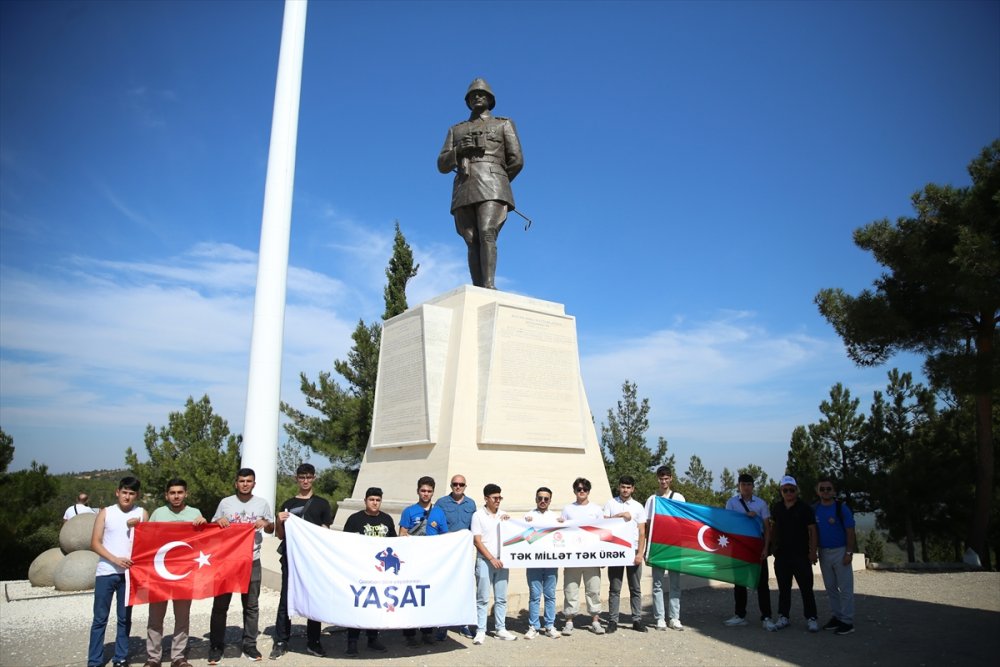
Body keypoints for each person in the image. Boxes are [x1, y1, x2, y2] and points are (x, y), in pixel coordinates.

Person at [437, 78, 524, 289]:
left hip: (493, 184)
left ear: (490, 99)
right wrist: (459, 152)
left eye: (481, 94)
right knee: (471, 239)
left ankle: (489, 286)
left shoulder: (503, 124)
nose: (477, 97)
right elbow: (441, 164)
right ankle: (478, 289)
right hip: (465, 185)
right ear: (467, 101)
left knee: (487, 231)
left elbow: (517, 160)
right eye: (472, 95)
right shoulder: (456, 130)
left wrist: (499, 179)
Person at [207, 468, 274, 664]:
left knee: (251, 606)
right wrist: (218, 521)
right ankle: (216, 645)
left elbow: (271, 527)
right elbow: (213, 527)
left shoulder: (262, 503)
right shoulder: (225, 503)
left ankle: (249, 644)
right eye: (242, 480)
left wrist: (265, 523)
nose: (245, 484)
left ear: (254, 483)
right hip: (227, 561)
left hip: (252, 560)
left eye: (249, 481)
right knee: (220, 606)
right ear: (236, 483)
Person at [270, 463, 333, 660]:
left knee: (313, 598)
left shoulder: (322, 504)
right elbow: (280, 535)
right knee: (286, 598)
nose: (305, 481)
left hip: (312, 560)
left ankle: (313, 641)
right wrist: (279, 521)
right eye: (302, 477)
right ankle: (281, 640)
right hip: (290, 557)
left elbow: (325, 533)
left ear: (314, 478)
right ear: (296, 479)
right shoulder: (287, 503)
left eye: (309, 477)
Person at [144, 478, 206, 667]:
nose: (176, 496)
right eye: (172, 493)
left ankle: (178, 657)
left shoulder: (195, 513)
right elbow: (145, 540)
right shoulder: (158, 513)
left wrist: (204, 524)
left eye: (180, 492)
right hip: (159, 574)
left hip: (184, 574)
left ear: (186, 494)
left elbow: (204, 541)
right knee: (155, 618)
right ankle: (153, 658)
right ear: (166, 495)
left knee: (182, 617)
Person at [87, 476, 147, 667]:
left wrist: (138, 527)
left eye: (131, 494)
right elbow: (94, 543)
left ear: (136, 495)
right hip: (106, 572)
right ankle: (94, 661)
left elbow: (148, 544)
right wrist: (115, 560)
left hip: (129, 575)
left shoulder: (142, 513)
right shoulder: (106, 512)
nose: (127, 497)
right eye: (124, 492)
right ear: (117, 492)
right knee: (99, 619)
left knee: (124, 618)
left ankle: (120, 657)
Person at [341, 487, 395, 657]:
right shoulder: (354, 519)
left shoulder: (387, 519)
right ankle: (352, 641)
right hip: (360, 570)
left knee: (376, 605)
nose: (374, 503)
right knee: (357, 605)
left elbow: (394, 543)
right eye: (371, 499)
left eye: (378, 500)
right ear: (365, 501)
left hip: (380, 572)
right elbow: (345, 542)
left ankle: (373, 638)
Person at [398, 476, 449, 646]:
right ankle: (410, 634)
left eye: (429, 491)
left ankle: (427, 631)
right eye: (423, 490)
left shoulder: (439, 513)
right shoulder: (409, 511)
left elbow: (444, 537)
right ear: (418, 491)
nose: (426, 494)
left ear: (433, 492)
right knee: (411, 596)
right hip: (413, 560)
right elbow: (402, 533)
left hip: (431, 562)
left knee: (428, 596)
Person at [723, 473, 775, 631]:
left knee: (762, 583)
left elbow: (767, 527)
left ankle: (766, 617)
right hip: (739, 547)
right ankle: (740, 615)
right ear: (739, 486)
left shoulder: (760, 504)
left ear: (753, 486)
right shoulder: (732, 502)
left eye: (749, 484)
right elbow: (728, 523)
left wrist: (766, 548)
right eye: (743, 484)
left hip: (756, 546)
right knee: (739, 582)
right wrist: (745, 517)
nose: (746, 487)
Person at [769, 475, 819, 632]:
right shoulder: (777, 507)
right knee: (783, 588)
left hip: (801, 554)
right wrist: (771, 547)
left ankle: (811, 617)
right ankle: (783, 616)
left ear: (796, 490)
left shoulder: (805, 508)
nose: (788, 492)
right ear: (781, 491)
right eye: (785, 490)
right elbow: (773, 528)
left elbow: (812, 530)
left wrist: (813, 551)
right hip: (782, 555)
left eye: (791, 489)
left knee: (806, 588)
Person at [471, 483, 516, 643]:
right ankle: (481, 630)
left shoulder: (504, 515)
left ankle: (500, 628)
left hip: (503, 561)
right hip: (485, 561)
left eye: (500, 497)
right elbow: (477, 540)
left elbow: (514, 535)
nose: (498, 500)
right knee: (482, 597)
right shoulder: (478, 515)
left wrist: (510, 522)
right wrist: (491, 558)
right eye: (495, 498)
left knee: (501, 597)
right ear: (486, 498)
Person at [560, 477, 605, 636]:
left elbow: (603, 532)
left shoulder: (597, 509)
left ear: (588, 491)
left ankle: (595, 621)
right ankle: (569, 621)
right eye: (579, 489)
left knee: (593, 589)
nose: (582, 492)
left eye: (585, 489)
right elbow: (561, 531)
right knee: (570, 589)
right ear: (574, 491)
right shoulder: (567, 509)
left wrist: (603, 556)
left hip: (592, 556)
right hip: (572, 556)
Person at [434, 473, 477, 639]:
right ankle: (442, 625)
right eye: (455, 484)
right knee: (444, 587)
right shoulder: (441, 503)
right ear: (451, 485)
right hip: (447, 554)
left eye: (461, 484)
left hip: (465, 554)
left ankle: (463, 623)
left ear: (465, 486)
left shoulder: (471, 504)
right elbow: (435, 525)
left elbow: (475, 526)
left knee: (464, 588)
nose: (458, 486)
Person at [603, 475, 647, 633]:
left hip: (633, 550)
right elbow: (604, 525)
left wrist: (640, 553)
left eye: (628, 487)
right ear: (619, 487)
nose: (625, 490)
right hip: (615, 550)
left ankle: (637, 619)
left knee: (635, 587)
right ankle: (613, 620)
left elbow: (642, 532)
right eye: (623, 487)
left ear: (633, 489)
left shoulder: (638, 506)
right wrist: (621, 516)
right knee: (615, 587)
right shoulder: (610, 503)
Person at [814, 476, 857, 636]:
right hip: (824, 552)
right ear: (818, 492)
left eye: (828, 489)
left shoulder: (841, 508)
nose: (825, 492)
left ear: (834, 491)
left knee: (845, 587)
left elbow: (850, 531)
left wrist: (849, 552)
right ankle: (837, 616)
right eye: (822, 489)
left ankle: (847, 621)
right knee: (831, 587)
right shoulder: (815, 509)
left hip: (841, 551)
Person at [644, 466, 685, 631]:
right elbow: (647, 524)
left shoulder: (679, 498)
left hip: (674, 546)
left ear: (671, 479)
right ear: (657, 479)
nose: (664, 481)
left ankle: (674, 617)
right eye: (661, 478)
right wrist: (647, 546)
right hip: (657, 546)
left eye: (666, 478)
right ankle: (659, 617)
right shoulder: (652, 499)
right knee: (658, 584)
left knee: (675, 583)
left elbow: (684, 521)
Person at [522, 487, 562, 639]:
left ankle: (550, 625)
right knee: (534, 595)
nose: (543, 501)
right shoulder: (529, 516)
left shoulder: (556, 517)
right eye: (540, 498)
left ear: (550, 500)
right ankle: (533, 626)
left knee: (550, 595)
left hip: (551, 560)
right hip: (534, 561)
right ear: (536, 499)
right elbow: (526, 537)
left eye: (546, 498)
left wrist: (564, 524)